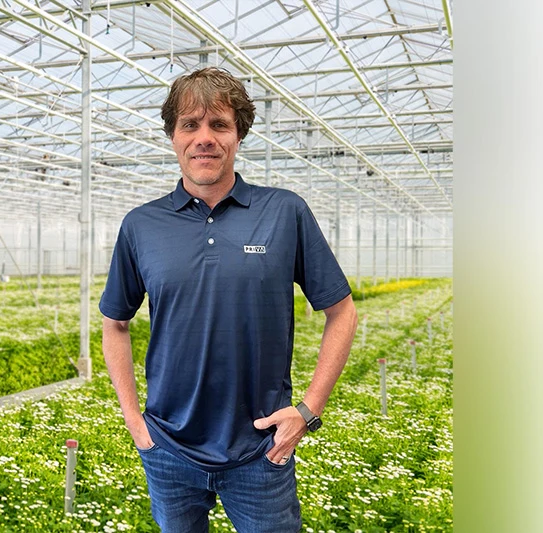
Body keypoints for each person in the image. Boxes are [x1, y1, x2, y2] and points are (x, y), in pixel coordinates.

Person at [100, 67, 358, 533]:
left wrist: (308, 410)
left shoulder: (284, 212)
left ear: (238, 134)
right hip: (168, 450)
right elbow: (114, 323)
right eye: (190, 124)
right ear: (173, 136)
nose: (205, 138)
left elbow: (341, 312)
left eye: (219, 124)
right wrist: (136, 423)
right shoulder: (141, 225)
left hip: (260, 451)